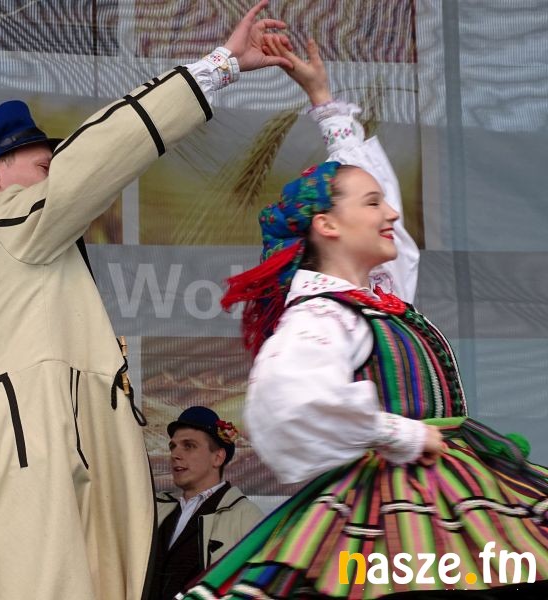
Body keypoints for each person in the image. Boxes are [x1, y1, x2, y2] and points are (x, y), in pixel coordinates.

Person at [0, 3, 296, 598]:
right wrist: (220, 65)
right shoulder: (8, 220)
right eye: (43, 167)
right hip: (36, 470)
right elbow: (103, 152)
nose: (54, 179)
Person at [180, 39, 548, 599]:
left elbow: (375, 191)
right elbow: (290, 397)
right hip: (393, 502)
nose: (391, 212)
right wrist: (397, 431)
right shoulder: (323, 314)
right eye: (372, 204)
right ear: (327, 226)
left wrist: (325, 103)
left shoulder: (379, 295)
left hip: (448, 484)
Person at [149, 406, 263, 600]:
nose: (175, 454)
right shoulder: (154, 509)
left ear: (217, 457)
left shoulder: (247, 519)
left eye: (189, 446)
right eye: (173, 446)